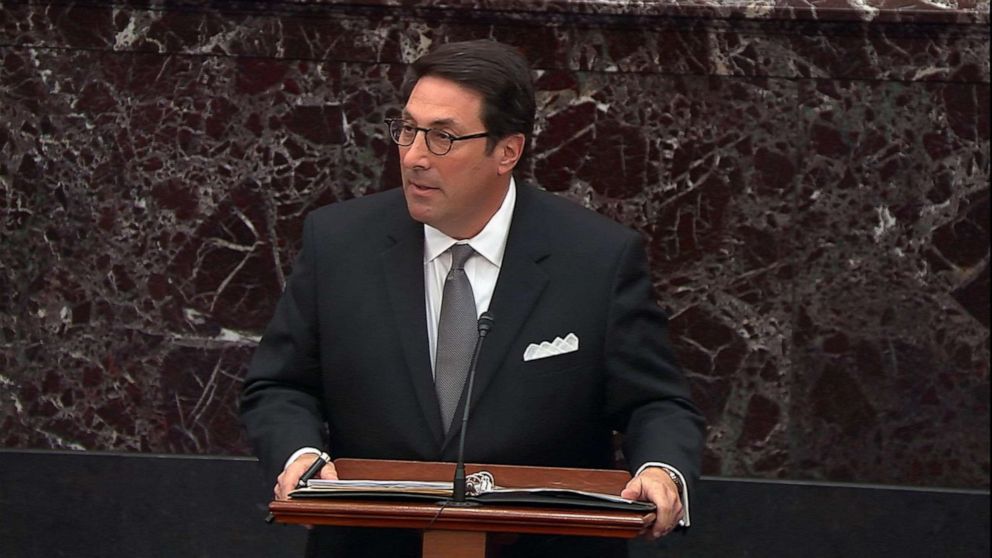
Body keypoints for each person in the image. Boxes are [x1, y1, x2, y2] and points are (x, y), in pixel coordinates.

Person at [241, 39, 705, 557]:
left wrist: (661, 471)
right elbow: (279, 385)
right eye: (408, 130)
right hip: (368, 543)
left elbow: (656, 403)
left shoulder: (596, 258)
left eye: (443, 137)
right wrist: (299, 455)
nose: (414, 156)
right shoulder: (339, 243)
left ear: (507, 151)